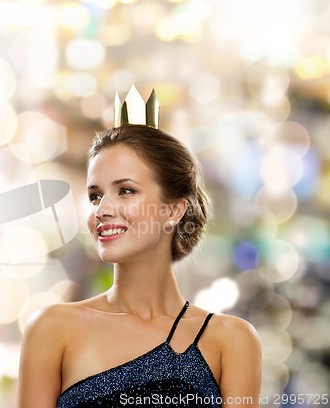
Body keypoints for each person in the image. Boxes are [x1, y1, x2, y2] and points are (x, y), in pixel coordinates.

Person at [17, 99, 262, 407]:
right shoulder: (52, 328)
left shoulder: (231, 339)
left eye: (126, 191)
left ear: (173, 209)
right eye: (95, 196)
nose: (103, 210)